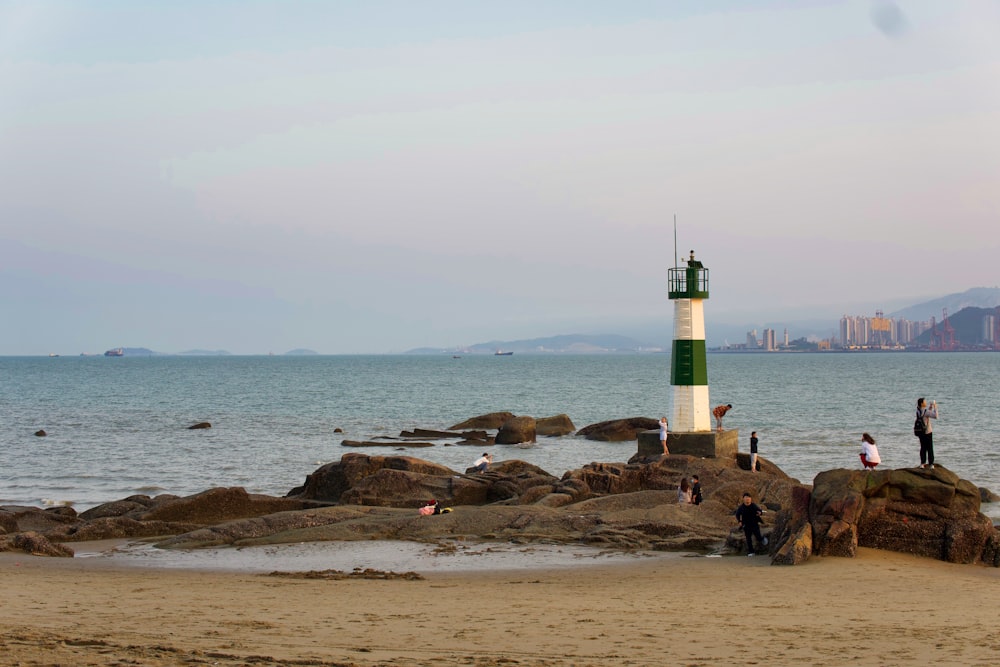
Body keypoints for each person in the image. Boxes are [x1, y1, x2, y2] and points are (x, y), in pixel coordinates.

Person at [735, 492, 767, 556]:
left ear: (750, 499)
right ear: (743, 499)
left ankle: (762, 538)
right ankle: (751, 552)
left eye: (749, 498)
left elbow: (759, 511)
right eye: (746, 498)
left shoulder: (753, 505)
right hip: (746, 525)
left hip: (754, 523)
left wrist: (759, 513)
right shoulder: (741, 507)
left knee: (758, 536)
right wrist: (739, 521)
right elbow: (737, 514)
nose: (747, 500)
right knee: (748, 539)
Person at [915, 398, 939, 469]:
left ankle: (922, 463)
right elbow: (935, 416)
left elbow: (926, 414)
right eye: (924, 402)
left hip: (921, 432)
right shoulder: (926, 412)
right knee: (930, 448)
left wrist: (930, 407)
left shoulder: (918, 411)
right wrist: (935, 407)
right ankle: (931, 464)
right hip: (927, 432)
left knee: (923, 448)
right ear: (922, 403)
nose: (926, 402)